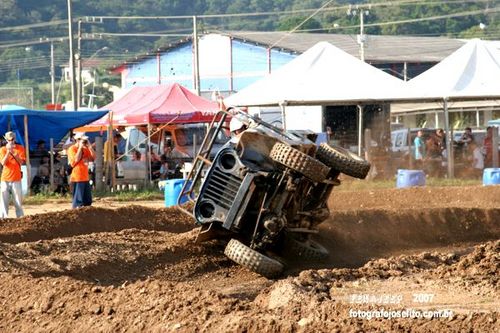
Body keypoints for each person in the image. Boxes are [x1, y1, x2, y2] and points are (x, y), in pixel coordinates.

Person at [0, 131, 26, 218]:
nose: (11, 141)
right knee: (4, 201)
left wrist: (13, 152)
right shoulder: (2, 149)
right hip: (5, 178)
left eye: (12, 139)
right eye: (9, 139)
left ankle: (20, 217)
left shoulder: (20, 148)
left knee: (18, 201)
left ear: (15, 139)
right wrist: (8, 151)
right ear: (6, 140)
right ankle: (3, 218)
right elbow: (3, 162)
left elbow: (21, 162)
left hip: (16, 178)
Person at [68, 132, 95, 208]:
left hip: (85, 177)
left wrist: (90, 147)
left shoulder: (85, 149)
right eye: (83, 140)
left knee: (87, 200)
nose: (85, 142)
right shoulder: (72, 149)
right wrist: (80, 147)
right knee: (78, 201)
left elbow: (93, 158)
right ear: (77, 140)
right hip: (77, 177)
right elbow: (76, 159)